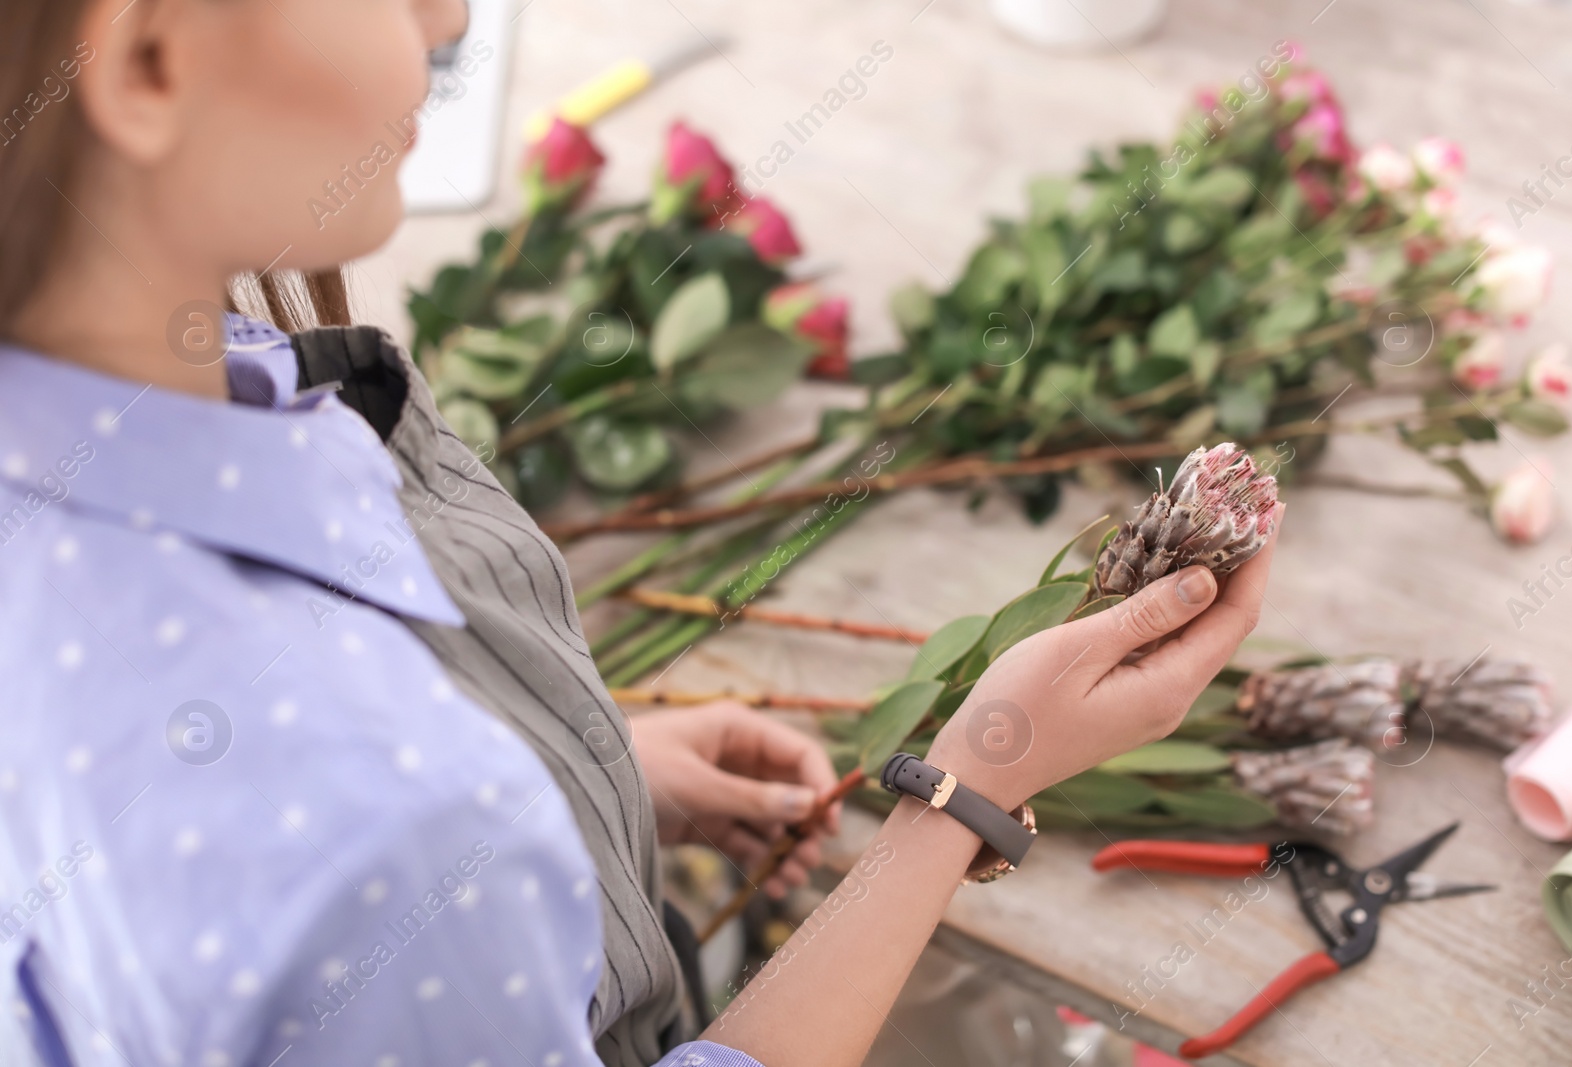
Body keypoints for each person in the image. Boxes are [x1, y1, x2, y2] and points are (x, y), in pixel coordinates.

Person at [0, 2, 1282, 1065]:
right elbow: (356, 842)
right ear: (149, 59)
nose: (451, 20)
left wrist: (575, 774)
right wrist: (968, 788)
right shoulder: (383, 827)